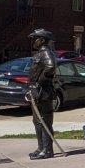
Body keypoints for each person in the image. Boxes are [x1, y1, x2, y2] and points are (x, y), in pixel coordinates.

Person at [26, 28, 58, 160]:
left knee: (44, 121)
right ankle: (41, 148)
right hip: (36, 92)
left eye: (35, 39)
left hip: (43, 92)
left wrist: (40, 81)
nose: (33, 41)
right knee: (37, 121)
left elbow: (51, 67)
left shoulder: (45, 52)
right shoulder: (40, 53)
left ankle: (47, 150)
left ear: (42, 40)